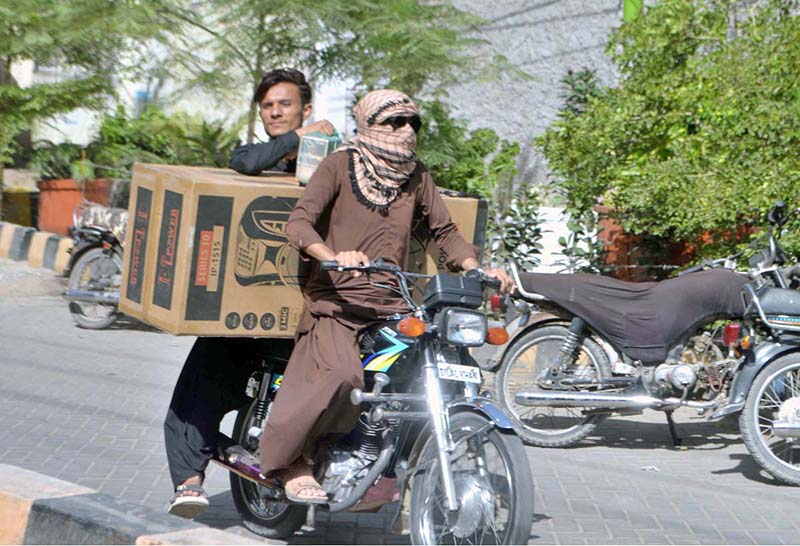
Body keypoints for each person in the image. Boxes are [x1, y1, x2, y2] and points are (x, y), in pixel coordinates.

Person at [257, 89, 514, 503]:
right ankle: (295, 461)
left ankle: (387, 461)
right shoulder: (339, 164)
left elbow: (444, 232)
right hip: (336, 302)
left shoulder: (416, 175)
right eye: (395, 122)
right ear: (370, 124)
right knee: (344, 377)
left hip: (393, 302)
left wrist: (476, 268)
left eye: (413, 123)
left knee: (426, 375)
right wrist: (333, 256)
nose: (406, 130)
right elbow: (299, 224)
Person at [164, 68, 334, 518]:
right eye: (268, 106)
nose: (276, 112)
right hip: (243, 314)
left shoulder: (332, 160)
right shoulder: (255, 157)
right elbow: (242, 164)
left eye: (286, 104)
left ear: (307, 108)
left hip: (304, 312)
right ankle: (189, 481)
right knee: (199, 384)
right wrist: (299, 136)